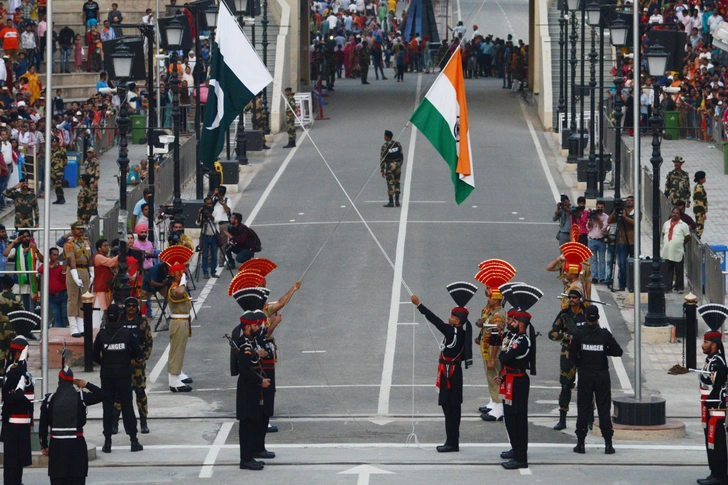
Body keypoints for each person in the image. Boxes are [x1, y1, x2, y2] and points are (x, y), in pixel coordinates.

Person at [410, 294, 468, 452]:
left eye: (452, 316)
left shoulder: (453, 333)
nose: (449, 318)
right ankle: (451, 440)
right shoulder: (459, 332)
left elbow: (434, 320)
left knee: (451, 408)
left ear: (457, 321)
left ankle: (452, 442)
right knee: (448, 406)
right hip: (450, 372)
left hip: (451, 373)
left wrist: (419, 304)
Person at [569, 305, 623, 454]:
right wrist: (604, 350)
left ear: (586, 317)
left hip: (585, 374)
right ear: (598, 317)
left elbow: (572, 356)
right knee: (604, 409)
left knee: (583, 408)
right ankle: (608, 444)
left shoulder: (579, 334)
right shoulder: (604, 335)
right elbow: (618, 351)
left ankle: (580, 444)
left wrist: (582, 363)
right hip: (601, 375)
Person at [39, 368, 106, 484]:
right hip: (77, 446)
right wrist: (86, 384)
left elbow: (42, 426)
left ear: (59, 383)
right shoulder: (81, 397)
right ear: (72, 382)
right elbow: (103, 395)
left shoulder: (49, 400)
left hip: (57, 447)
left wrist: (44, 445)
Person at [92, 304, 143, 453]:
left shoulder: (102, 335)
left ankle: (107, 442)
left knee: (107, 408)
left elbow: (94, 356)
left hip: (107, 375)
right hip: (123, 375)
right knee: (127, 407)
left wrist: (106, 364)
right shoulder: (126, 334)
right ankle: (133, 440)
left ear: (107, 317)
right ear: (120, 316)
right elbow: (138, 354)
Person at [231, 309, 271, 470]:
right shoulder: (245, 345)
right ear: (248, 327)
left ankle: (249, 456)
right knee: (247, 425)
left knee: (252, 423)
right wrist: (260, 381)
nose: (258, 327)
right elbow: (245, 370)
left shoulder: (251, 343)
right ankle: (245, 459)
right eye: (255, 325)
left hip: (252, 389)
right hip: (247, 390)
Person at [497, 310, 536, 470]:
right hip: (509, 379)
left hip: (518, 381)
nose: (509, 323)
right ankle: (515, 448)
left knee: (518, 419)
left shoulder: (523, 341)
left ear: (520, 324)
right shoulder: (513, 337)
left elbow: (505, 358)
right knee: (509, 417)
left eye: (513, 321)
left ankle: (521, 457)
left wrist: (503, 354)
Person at [112, 297, 153, 435]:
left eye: (133, 306)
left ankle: (143, 421)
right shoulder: (120, 322)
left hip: (138, 366)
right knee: (118, 394)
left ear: (137, 308)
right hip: (123, 364)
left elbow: (149, 342)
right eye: (128, 305)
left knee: (140, 392)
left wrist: (143, 358)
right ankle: (114, 422)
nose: (131, 308)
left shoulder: (142, 322)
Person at [549, 288, 587, 430]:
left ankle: (589, 417)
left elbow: (596, 329)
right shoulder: (564, 315)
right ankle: (562, 417)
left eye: (574, 297)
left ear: (580, 299)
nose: (571, 300)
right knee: (565, 386)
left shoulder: (586, 313)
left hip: (585, 353)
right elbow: (552, 333)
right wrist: (567, 337)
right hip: (568, 352)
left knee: (587, 385)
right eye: (569, 297)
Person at [476, 286, 506, 421]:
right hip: (486, 347)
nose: (488, 298)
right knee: (490, 376)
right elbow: (483, 323)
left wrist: (493, 358)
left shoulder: (498, 315)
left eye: (491, 297)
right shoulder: (490, 310)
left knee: (495, 377)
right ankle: (494, 402)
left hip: (493, 349)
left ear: (498, 299)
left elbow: (496, 338)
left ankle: (499, 407)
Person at [1, 357, 33, 485]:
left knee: (16, 461)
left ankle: (16, 482)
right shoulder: (15, 376)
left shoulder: (14, 376)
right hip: (13, 425)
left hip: (16, 426)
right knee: (12, 463)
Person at [167, 261, 193, 392]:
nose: (185, 275)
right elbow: (180, 292)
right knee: (177, 351)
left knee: (179, 349)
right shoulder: (173, 288)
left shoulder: (176, 286)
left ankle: (178, 373)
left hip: (182, 321)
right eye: (182, 274)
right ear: (177, 276)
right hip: (178, 322)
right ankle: (174, 381)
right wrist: (183, 281)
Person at [65, 220, 93, 337]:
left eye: (82, 228)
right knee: (73, 298)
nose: (80, 230)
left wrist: (92, 272)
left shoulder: (86, 241)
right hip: (73, 271)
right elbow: (72, 261)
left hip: (84, 270)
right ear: (72, 230)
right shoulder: (69, 244)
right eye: (78, 229)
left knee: (84, 298)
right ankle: (73, 326)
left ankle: (81, 324)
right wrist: (75, 277)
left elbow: (90, 257)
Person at [607, 196, 635, 291]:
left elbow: (635, 223)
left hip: (633, 241)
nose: (629, 202)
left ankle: (632, 283)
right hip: (621, 241)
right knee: (622, 264)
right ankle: (622, 284)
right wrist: (615, 211)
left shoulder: (636, 212)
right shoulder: (621, 212)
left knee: (633, 264)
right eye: (627, 201)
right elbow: (609, 221)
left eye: (631, 200)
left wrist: (625, 217)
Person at [661, 207, 691, 293]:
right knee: (668, 269)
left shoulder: (683, 225)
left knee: (678, 269)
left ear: (680, 215)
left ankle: (679, 287)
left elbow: (687, 237)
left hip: (677, 251)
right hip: (667, 250)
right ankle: (668, 286)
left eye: (677, 213)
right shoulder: (666, 223)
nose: (674, 214)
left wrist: (680, 243)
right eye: (673, 212)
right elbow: (663, 233)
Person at [37, 247, 68, 327]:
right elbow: (39, 271)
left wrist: (64, 272)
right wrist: (51, 267)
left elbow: (64, 281)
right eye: (54, 255)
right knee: (56, 316)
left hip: (62, 294)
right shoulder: (47, 265)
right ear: (50, 256)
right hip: (51, 296)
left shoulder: (61, 266)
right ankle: (58, 335)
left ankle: (64, 333)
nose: (56, 257)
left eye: (57, 255)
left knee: (64, 316)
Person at [93, 238, 118, 326]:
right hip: (101, 288)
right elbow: (111, 263)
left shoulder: (105, 257)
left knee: (106, 310)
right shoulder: (98, 257)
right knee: (99, 311)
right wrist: (120, 255)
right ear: (99, 248)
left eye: (108, 246)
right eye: (105, 246)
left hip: (107, 288)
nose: (107, 248)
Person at [197, 197, 221, 279]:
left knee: (214, 255)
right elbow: (197, 223)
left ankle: (213, 272)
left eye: (210, 203)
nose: (209, 205)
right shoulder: (203, 212)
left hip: (213, 236)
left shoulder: (215, 211)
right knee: (204, 255)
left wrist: (210, 215)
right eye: (207, 204)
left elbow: (216, 220)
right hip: (205, 236)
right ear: (205, 204)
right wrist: (199, 214)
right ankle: (205, 273)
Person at [380, 129, 404, 208]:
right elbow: (401, 155)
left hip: (390, 165)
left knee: (390, 184)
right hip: (397, 165)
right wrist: (399, 164)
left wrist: (382, 169)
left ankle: (391, 201)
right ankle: (397, 201)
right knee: (397, 182)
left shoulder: (385, 146)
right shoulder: (397, 144)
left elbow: (382, 158)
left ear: (387, 137)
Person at [586, 200, 608, 284]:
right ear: (596, 207)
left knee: (602, 260)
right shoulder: (592, 214)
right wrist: (591, 219)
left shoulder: (606, 217)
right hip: (592, 240)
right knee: (593, 260)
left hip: (601, 240)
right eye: (598, 207)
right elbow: (588, 228)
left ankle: (602, 277)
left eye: (601, 208)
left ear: (604, 208)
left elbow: (603, 228)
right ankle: (594, 277)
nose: (599, 209)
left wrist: (598, 218)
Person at [50, 136, 67, 204]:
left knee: (59, 184)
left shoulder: (61, 150)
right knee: (55, 185)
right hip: (52, 169)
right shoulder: (50, 150)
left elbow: (65, 158)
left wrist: (64, 166)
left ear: (57, 143)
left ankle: (62, 197)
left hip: (59, 169)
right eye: (52, 142)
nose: (53, 143)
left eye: (55, 142)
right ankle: (58, 198)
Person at [84, 146, 99, 214]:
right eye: (88, 152)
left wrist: (96, 180)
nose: (89, 154)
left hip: (93, 178)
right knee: (88, 194)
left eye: (90, 153)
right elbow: (85, 171)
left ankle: (94, 209)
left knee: (94, 194)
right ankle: (89, 208)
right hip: (87, 179)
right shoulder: (86, 161)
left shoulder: (95, 161)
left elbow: (97, 171)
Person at [693, 171, 707, 239]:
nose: (705, 179)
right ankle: (697, 240)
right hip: (699, 210)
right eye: (704, 178)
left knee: (699, 225)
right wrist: (703, 213)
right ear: (701, 179)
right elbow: (700, 201)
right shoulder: (699, 188)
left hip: (698, 209)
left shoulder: (698, 186)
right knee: (700, 227)